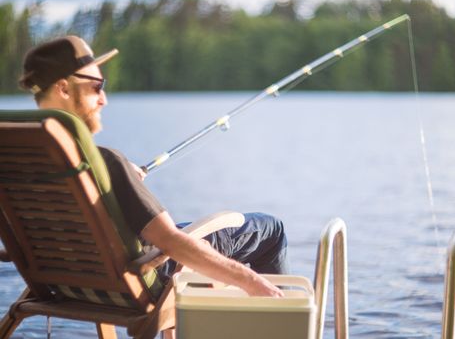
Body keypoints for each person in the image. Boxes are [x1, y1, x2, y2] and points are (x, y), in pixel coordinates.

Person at [18, 35, 289, 298]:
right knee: (271, 230)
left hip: (66, 280)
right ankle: (284, 319)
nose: (104, 99)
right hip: (141, 271)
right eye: (97, 86)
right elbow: (170, 242)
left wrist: (119, 185)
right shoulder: (104, 162)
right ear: (63, 88)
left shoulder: (19, 159)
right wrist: (252, 281)